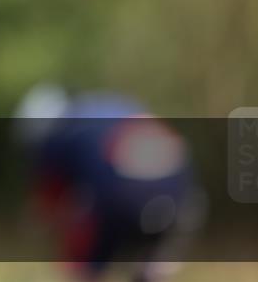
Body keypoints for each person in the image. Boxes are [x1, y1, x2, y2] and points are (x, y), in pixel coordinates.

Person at [15, 85, 203, 282]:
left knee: (83, 232)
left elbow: (50, 203)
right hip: (180, 194)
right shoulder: (115, 105)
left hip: (120, 195)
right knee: (156, 256)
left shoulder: (60, 134)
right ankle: (153, 269)